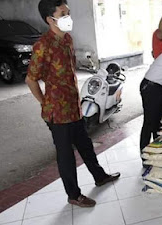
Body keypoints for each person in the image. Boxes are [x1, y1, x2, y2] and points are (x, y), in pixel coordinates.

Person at [25, 0, 120, 208]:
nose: (69, 18)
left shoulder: (67, 39)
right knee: (66, 156)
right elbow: (31, 79)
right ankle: (74, 195)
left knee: (85, 145)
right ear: (50, 19)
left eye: (69, 12)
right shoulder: (42, 46)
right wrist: (44, 103)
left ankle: (100, 176)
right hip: (57, 113)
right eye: (63, 13)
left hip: (74, 108)